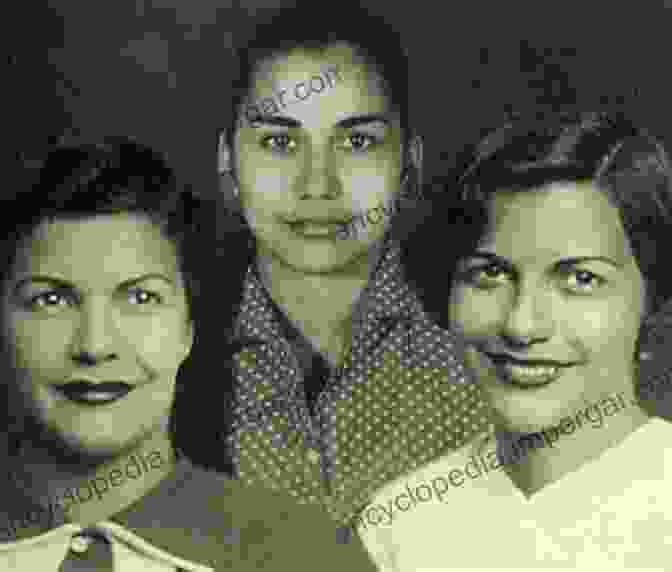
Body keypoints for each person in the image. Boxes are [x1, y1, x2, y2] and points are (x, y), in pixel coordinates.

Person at [0, 137, 379, 571]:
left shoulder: (306, 553)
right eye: (51, 301)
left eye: (141, 298)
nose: (94, 346)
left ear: (188, 329)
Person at [210, 0, 492, 526]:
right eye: (279, 141)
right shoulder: (167, 362)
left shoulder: (485, 357)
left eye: (358, 142)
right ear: (228, 162)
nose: (318, 184)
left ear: (410, 165)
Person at [359, 111, 672, 570]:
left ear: (652, 295)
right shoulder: (398, 524)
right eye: (490, 273)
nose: (522, 325)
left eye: (580, 279)